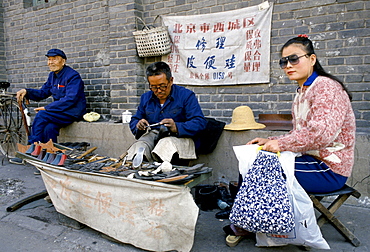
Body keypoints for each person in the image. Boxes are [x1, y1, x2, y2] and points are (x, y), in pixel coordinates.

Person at [224, 35, 356, 247]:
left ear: (312, 59)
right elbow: (300, 134)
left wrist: (281, 145)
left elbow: (321, 134)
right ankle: (248, 218)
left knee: (260, 167)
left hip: (329, 168)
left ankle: (248, 222)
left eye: (294, 59)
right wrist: (271, 140)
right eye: (283, 61)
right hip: (310, 159)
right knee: (251, 157)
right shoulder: (302, 91)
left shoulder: (326, 87)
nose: (288, 65)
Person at [127, 61, 207, 165]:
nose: (159, 91)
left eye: (162, 86)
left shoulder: (186, 96)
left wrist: (176, 127)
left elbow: (200, 122)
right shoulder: (146, 98)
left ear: (171, 81)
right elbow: (135, 119)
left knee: (165, 145)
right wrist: (138, 125)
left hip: (180, 138)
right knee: (139, 147)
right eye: (154, 87)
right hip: (154, 136)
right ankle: (143, 173)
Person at [16, 48, 86, 145]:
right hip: (60, 111)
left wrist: (47, 108)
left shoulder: (73, 76)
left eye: (54, 59)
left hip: (72, 111)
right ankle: (50, 153)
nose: (51, 62)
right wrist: (27, 92)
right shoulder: (52, 76)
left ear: (63, 61)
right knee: (49, 127)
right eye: (49, 59)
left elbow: (70, 99)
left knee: (42, 114)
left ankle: (32, 147)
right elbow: (43, 93)